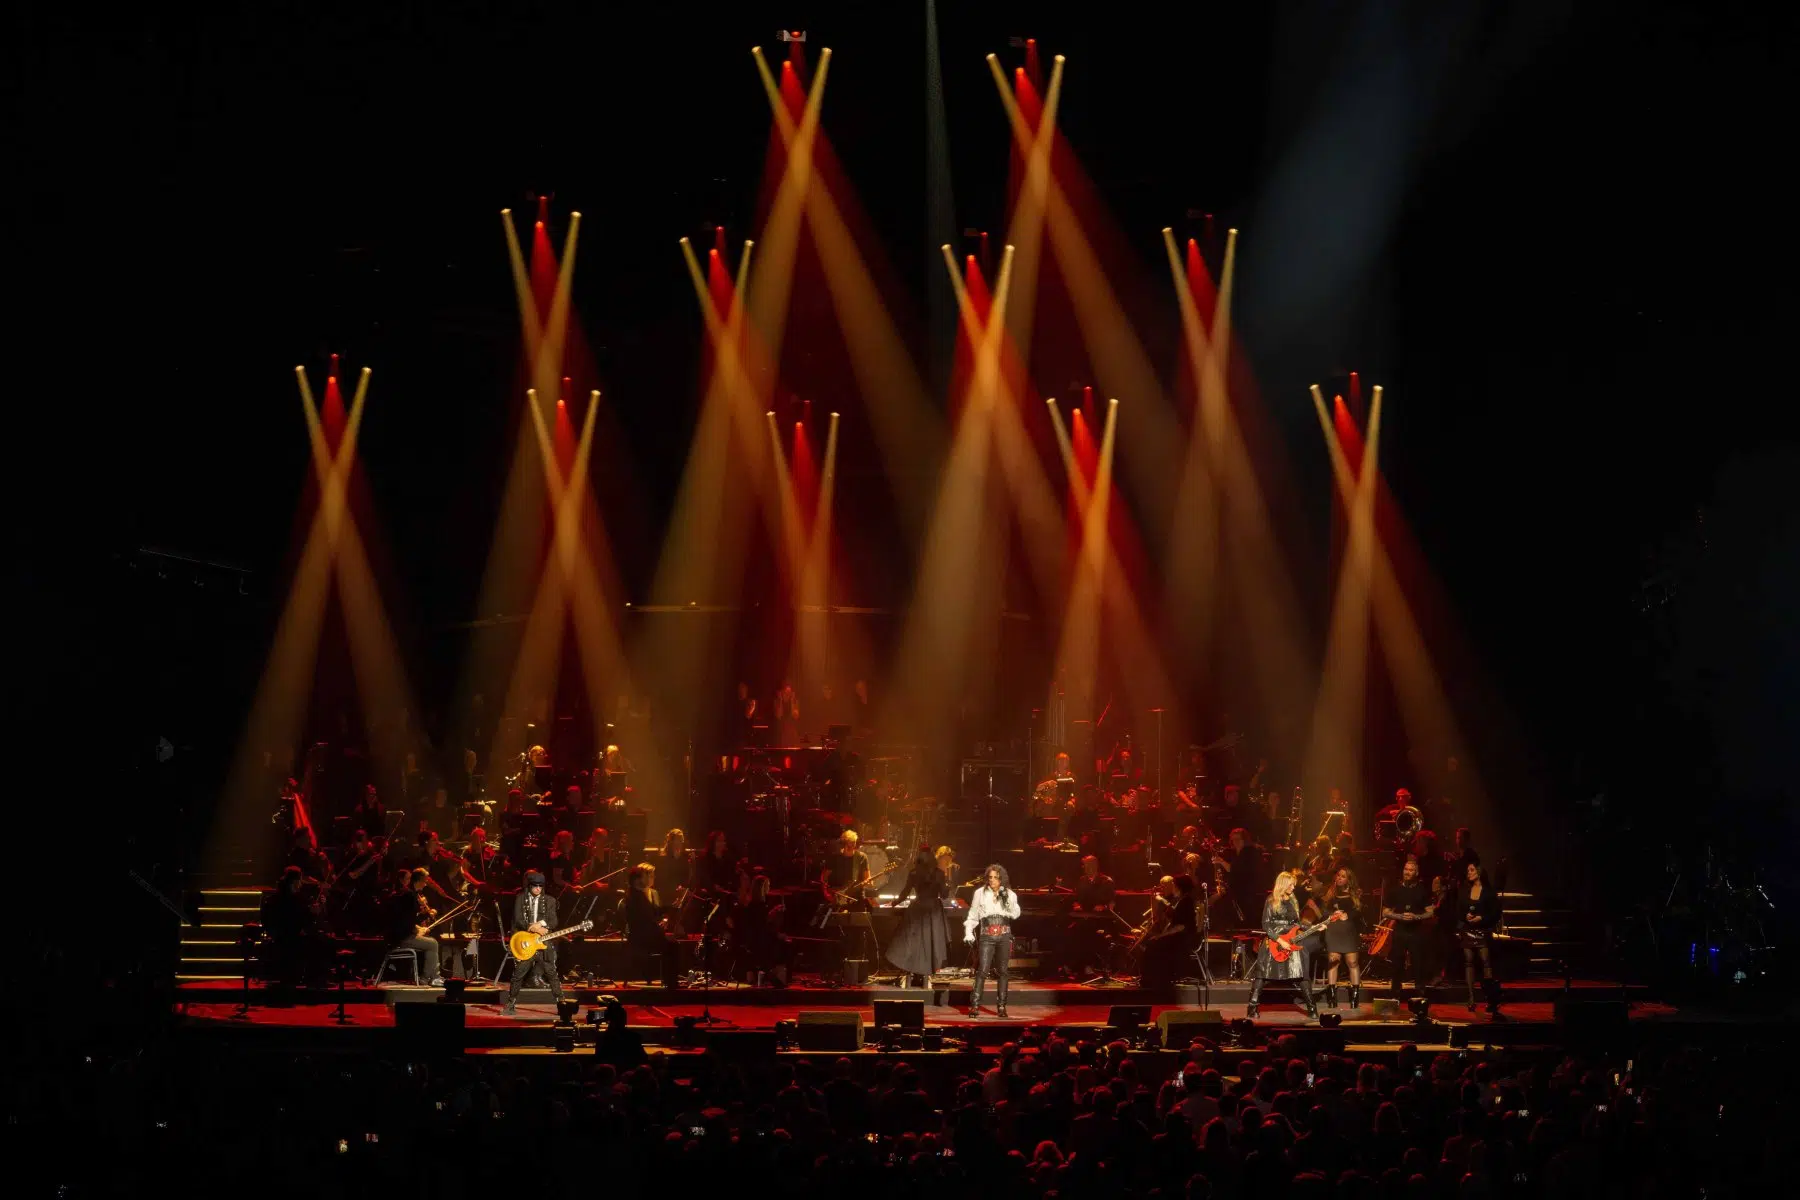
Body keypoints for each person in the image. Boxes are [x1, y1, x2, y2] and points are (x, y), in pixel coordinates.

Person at [1246, 871, 1323, 1020]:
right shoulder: (1271, 900)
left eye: (1294, 884)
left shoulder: (1293, 899)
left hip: (1292, 940)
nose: (1294, 887)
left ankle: (1312, 1009)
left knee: (1302, 975)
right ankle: (1252, 1008)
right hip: (1274, 942)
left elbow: (1297, 924)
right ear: (1283, 884)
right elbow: (1266, 924)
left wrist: (1314, 928)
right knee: (1262, 976)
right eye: (1291, 884)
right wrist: (1279, 940)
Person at [502, 870, 565, 1015]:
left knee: (551, 972)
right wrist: (532, 927)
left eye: (540, 886)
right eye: (535, 886)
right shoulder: (520, 899)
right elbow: (518, 919)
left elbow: (554, 921)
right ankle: (511, 1004)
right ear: (529, 886)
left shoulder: (550, 900)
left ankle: (562, 1004)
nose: (538, 889)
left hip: (542, 941)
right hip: (526, 941)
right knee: (519, 973)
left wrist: (541, 924)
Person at [886, 845, 950, 986]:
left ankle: (910, 975)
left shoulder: (914, 873)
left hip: (917, 908)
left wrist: (893, 903)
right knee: (930, 943)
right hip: (932, 910)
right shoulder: (939, 873)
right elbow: (945, 895)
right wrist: (947, 880)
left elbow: (905, 893)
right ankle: (926, 977)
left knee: (913, 944)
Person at [963, 864, 1021, 1018]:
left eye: (996, 877)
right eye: (990, 877)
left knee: (1003, 971)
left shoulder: (1010, 894)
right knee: (982, 970)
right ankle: (975, 1005)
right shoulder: (979, 893)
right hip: (986, 935)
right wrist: (968, 932)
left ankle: (1001, 1007)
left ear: (1002, 879)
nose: (992, 880)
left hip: (1004, 934)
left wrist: (1005, 900)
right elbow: (973, 915)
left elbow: (1015, 914)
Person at [1379, 854, 1435, 995]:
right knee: (1397, 961)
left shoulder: (1422, 890)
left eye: (1410, 870)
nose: (1407, 872)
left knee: (1418, 962)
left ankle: (1420, 992)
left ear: (1416, 873)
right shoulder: (1395, 890)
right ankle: (1395, 991)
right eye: (1405, 869)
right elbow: (1385, 912)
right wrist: (1399, 916)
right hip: (1400, 930)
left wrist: (1417, 917)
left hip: (1416, 931)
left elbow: (1430, 912)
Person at [1455, 857, 1503, 1015]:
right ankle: (1470, 998)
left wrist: (1481, 918)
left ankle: (1491, 998)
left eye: (1472, 870)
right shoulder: (1464, 889)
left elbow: (1495, 912)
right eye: (1468, 870)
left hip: (1482, 930)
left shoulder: (1488, 891)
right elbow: (1459, 909)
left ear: (1479, 872)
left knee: (1485, 961)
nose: (1468, 873)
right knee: (1468, 962)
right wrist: (1466, 916)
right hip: (1467, 930)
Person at [1314, 866, 1367, 1008]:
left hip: (1349, 931)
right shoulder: (1330, 894)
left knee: (1352, 962)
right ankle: (1332, 998)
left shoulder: (1355, 895)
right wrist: (1330, 915)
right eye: (1338, 875)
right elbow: (1323, 912)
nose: (1339, 878)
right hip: (1334, 931)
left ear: (1349, 880)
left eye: (1343, 876)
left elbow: (1359, 912)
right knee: (1333, 961)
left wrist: (1348, 915)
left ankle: (1355, 997)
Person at [623, 863, 680, 988]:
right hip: (642, 939)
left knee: (672, 944)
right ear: (637, 880)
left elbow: (655, 911)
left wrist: (671, 908)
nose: (647, 879)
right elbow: (647, 922)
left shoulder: (638, 895)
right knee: (672, 945)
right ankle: (670, 982)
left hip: (645, 935)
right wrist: (663, 935)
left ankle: (669, 980)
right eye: (644, 877)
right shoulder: (635, 898)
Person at [387, 867, 446, 986]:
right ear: (419, 880)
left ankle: (431, 977)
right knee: (433, 943)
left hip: (401, 934)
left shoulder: (408, 893)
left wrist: (419, 928)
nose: (426, 884)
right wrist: (419, 927)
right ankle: (429, 977)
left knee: (431, 942)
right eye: (425, 881)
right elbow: (405, 919)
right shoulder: (409, 896)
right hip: (402, 937)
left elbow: (407, 919)